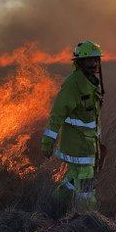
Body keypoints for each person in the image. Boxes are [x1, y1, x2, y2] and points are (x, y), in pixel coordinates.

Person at [41, 40, 106, 211]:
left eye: (95, 59)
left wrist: (99, 143)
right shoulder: (73, 84)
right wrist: (47, 141)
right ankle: (87, 218)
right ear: (79, 63)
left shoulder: (92, 83)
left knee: (72, 179)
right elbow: (57, 115)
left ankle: (55, 205)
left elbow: (92, 120)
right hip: (77, 146)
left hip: (89, 146)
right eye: (89, 60)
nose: (93, 64)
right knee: (86, 185)